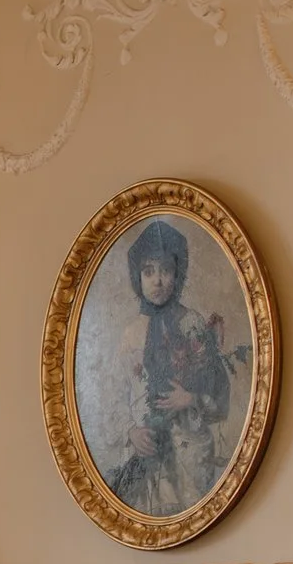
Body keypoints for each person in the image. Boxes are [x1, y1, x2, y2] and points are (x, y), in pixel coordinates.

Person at [82, 215, 241, 517]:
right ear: (137, 276)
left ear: (177, 274)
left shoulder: (192, 323)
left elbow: (220, 393)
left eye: (166, 270)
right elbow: (115, 395)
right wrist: (132, 431)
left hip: (189, 452)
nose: (157, 280)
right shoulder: (130, 334)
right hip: (147, 451)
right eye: (148, 271)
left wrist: (191, 399)